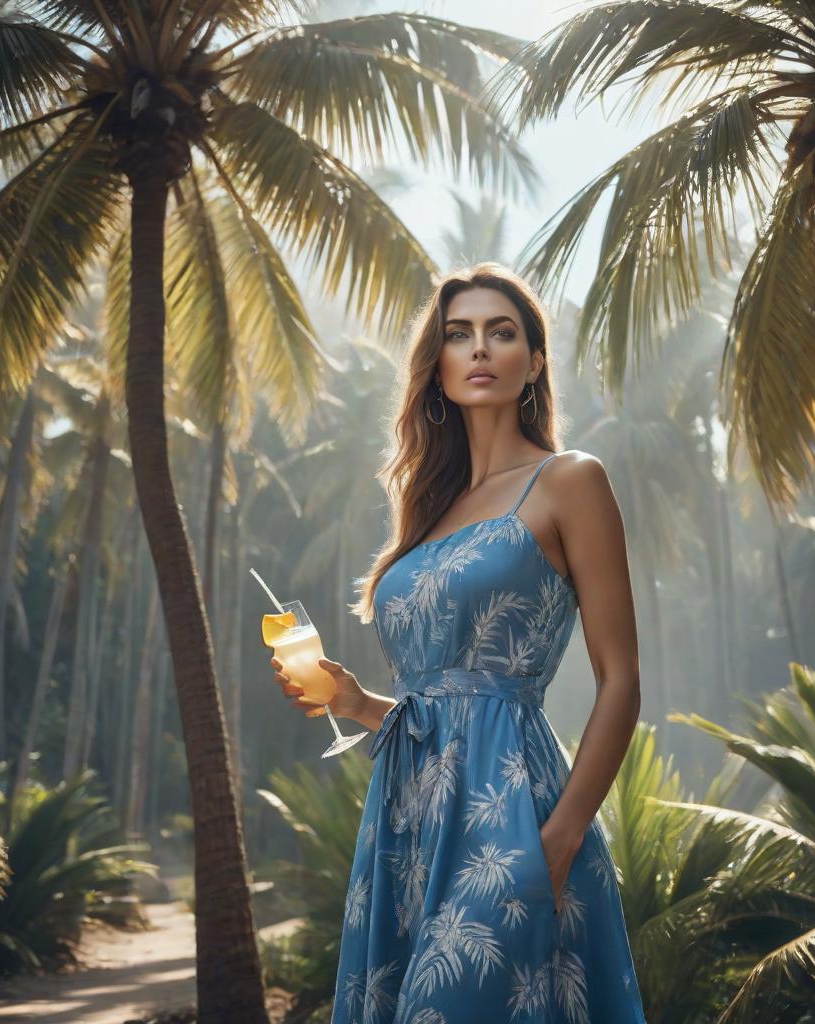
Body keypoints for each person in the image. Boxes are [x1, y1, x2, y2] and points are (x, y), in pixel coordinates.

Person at [272, 263, 646, 1023]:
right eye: (459, 334)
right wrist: (357, 701)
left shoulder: (569, 480)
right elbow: (436, 702)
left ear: (533, 363)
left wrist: (560, 840)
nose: (480, 349)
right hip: (406, 819)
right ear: (437, 368)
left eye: (501, 333)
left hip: (512, 814)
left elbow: (622, 679)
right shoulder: (428, 512)